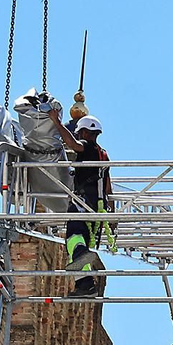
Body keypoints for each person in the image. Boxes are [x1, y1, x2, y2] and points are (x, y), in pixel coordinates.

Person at [49, 108, 112, 296]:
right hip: (96, 207)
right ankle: (85, 285)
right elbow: (108, 188)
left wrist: (56, 122)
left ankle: (84, 268)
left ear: (84, 132)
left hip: (81, 203)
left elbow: (73, 144)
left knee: (73, 239)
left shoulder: (87, 146)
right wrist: (113, 216)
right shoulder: (103, 155)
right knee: (78, 243)